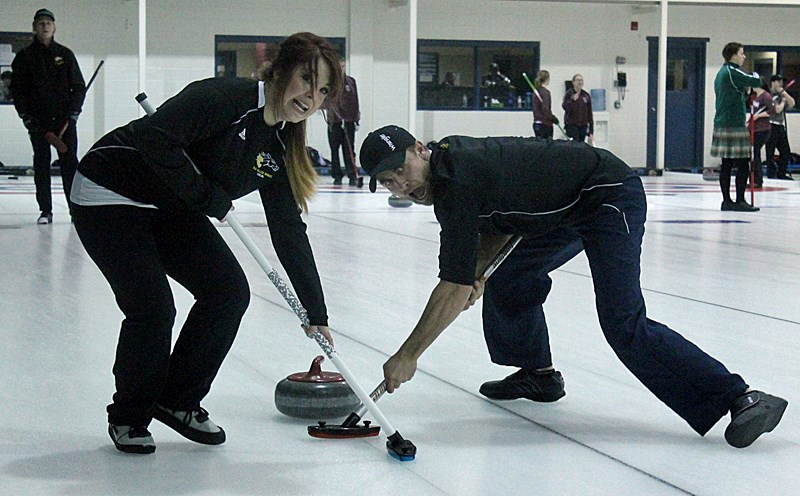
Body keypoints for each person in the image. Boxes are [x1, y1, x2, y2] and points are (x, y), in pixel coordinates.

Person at [358, 124, 788, 449]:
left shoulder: (457, 180)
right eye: (389, 182)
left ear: (420, 149)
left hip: (607, 196)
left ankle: (742, 397)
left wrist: (407, 355)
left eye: (402, 171)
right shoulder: (451, 171)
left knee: (623, 323)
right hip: (563, 209)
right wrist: (477, 272)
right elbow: (497, 219)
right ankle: (538, 375)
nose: (403, 186)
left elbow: (450, 286)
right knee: (509, 276)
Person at [69, 32, 342, 455]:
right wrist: (204, 196)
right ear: (281, 71)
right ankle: (129, 415)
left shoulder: (278, 144)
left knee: (228, 292)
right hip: (111, 193)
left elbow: (287, 227)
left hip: (171, 204)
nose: (312, 95)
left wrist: (314, 310)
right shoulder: (223, 98)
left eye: (323, 89)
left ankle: (177, 400)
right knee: (153, 308)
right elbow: (154, 139)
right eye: (306, 79)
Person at [10, 8, 86, 224]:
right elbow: (18, 91)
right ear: (34, 27)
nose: (44, 26)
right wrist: (26, 117)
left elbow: (78, 87)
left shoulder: (65, 55)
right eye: (40, 22)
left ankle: (75, 211)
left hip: (65, 121)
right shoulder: (25, 57)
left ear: (54, 28)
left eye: (48, 23)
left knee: (70, 165)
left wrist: (73, 114)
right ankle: (46, 211)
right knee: (42, 165)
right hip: (39, 124)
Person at [711, 43, 761, 212]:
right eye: (741, 53)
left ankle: (727, 201)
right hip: (733, 124)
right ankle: (739, 200)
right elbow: (756, 80)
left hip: (722, 122)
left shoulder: (721, 73)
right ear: (733, 55)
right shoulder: (732, 71)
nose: (744, 56)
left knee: (726, 163)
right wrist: (755, 74)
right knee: (743, 163)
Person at [325, 59, 361, 186]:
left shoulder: (351, 82)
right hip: (334, 122)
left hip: (349, 122)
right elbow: (327, 102)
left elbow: (355, 102)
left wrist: (356, 119)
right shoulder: (330, 83)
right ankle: (337, 175)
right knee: (334, 150)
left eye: (343, 66)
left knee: (349, 149)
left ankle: (352, 175)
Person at [765, 75, 796, 180]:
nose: (780, 84)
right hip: (770, 125)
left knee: (785, 151)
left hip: (780, 125)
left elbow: (792, 103)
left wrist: (784, 94)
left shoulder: (782, 95)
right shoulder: (768, 95)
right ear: (772, 83)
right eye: (778, 81)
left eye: (781, 82)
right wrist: (783, 101)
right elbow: (777, 109)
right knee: (770, 151)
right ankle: (771, 173)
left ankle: (781, 172)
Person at [749, 80, 776, 188]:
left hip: (763, 129)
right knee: (753, 153)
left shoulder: (766, 96)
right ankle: (754, 178)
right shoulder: (755, 96)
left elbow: (773, 111)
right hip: (754, 128)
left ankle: (757, 179)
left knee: (755, 152)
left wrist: (759, 116)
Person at [562, 74, 593, 143]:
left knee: (581, 145)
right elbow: (564, 106)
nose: (580, 82)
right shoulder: (569, 94)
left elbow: (589, 113)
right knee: (574, 144)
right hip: (571, 125)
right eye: (578, 80)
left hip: (583, 125)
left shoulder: (586, 95)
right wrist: (572, 100)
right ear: (573, 82)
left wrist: (591, 131)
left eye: (581, 80)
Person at [530, 70, 558, 139]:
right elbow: (545, 109)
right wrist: (552, 118)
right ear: (547, 79)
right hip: (545, 124)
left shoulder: (535, 92)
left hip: (536, 123)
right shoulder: (546, 93)